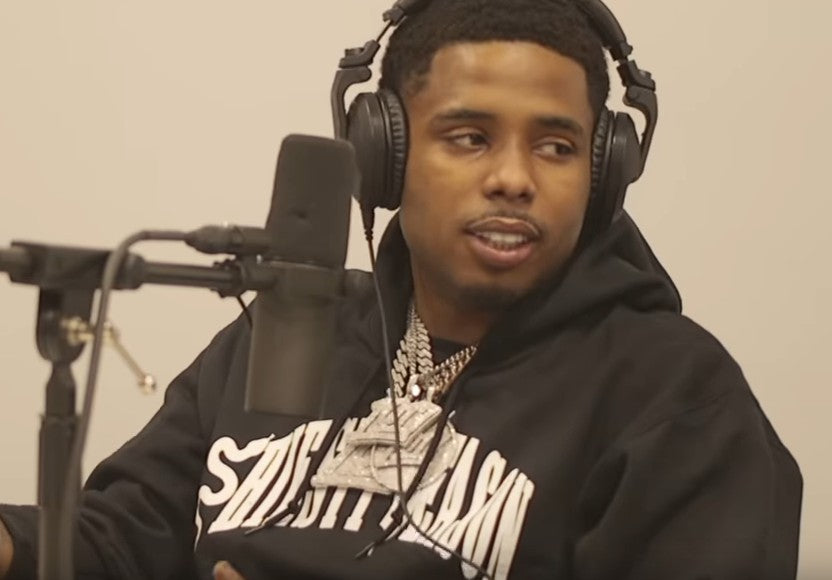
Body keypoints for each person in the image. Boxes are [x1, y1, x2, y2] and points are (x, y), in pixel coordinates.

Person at [0, 0, 803, 578]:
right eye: (470, 137)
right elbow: (118, 541)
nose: (514, 178)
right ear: (383, 153)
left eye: (557, 147)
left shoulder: (676, 397)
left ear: (604, 171)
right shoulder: (291, 325)